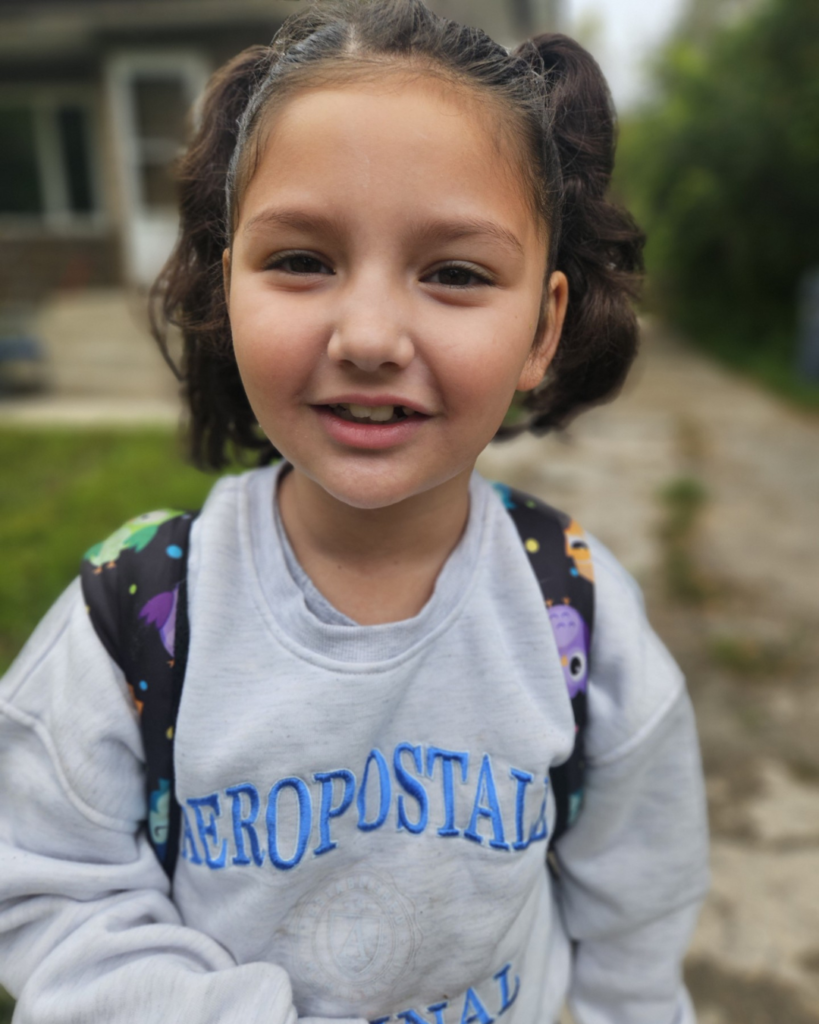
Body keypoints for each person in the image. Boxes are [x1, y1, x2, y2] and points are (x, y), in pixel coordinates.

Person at [0, 2, 709, 1022]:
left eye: (455, 273)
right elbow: (50, 889)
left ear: (542, 328)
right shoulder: (136, 615)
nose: (369, 336)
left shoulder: (576, 610)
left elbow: (637, 911)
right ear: (228, 287)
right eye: (301, 260)